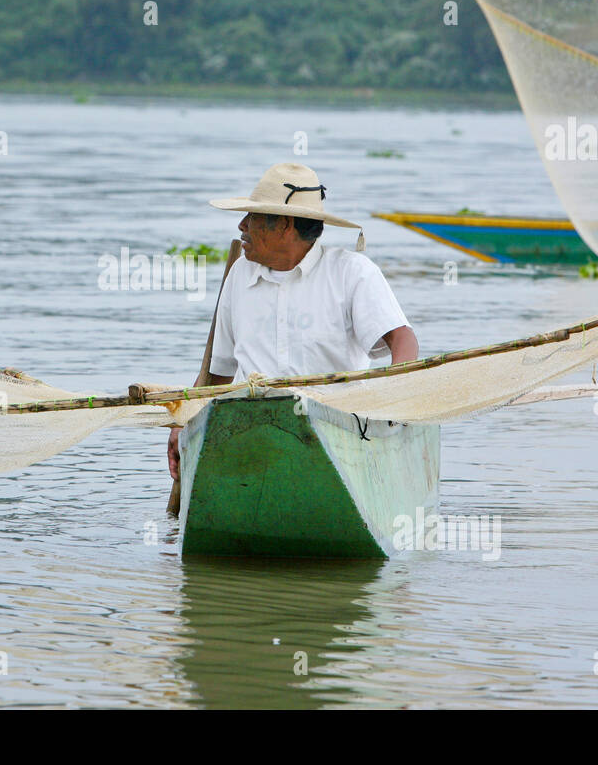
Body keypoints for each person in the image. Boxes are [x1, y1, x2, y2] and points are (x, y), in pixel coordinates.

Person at [165, 162, 418, 514]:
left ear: (284, 224)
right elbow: (217, 374)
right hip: (251, 434)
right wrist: (184, 424)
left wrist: (394, 396)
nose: (241, 227)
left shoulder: (351, 273)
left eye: (251, 217)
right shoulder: (240, 274)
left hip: (337, 438)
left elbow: (403, 340)